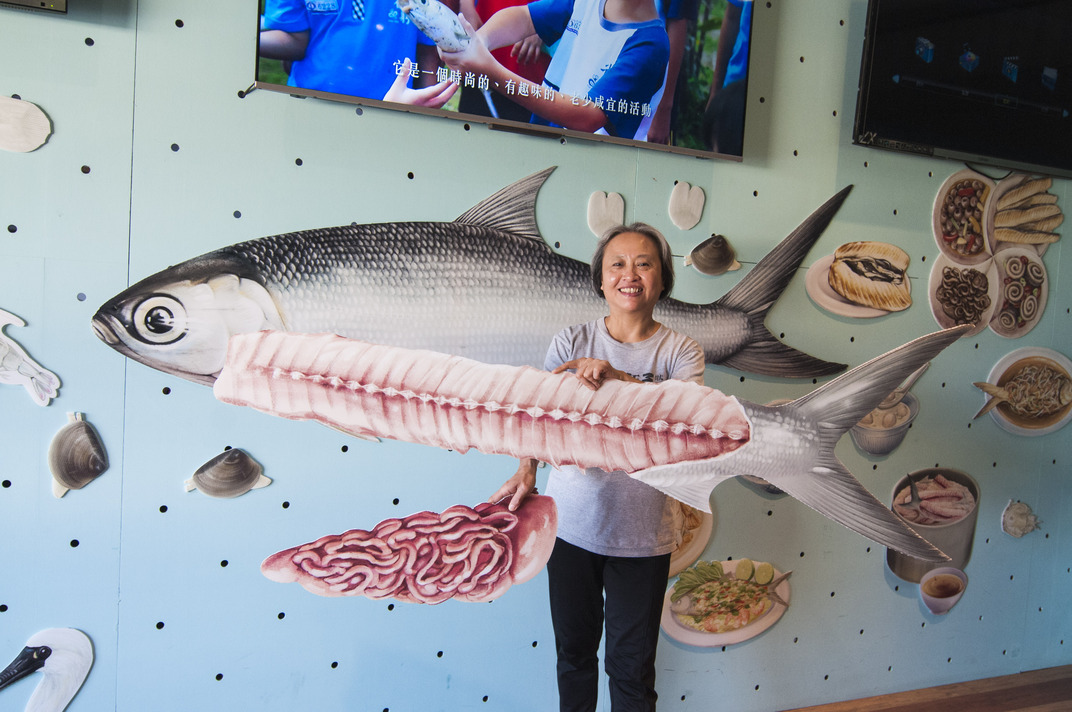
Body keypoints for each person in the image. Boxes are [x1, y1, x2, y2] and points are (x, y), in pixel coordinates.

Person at [489, 223, 705, 712]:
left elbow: (685, 423)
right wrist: (527, 470)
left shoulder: (681, 352)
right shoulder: (571, 341)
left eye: (644, 263)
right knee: (574, 658)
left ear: (663, 279)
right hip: (571, 528)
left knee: (631, 671)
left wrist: (619, 379)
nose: (631, 275)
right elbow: (537, 417)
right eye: (618, 265)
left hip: (643, 535)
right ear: (602, 280)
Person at [439, 0, 670, 139]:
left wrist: (490, 71)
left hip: (589, 182)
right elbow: (524, 17)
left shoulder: (650, 44)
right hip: (542, 152)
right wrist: (477, 42)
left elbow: (587, 117)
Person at [259, 0, 455, 106]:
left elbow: (430, 46)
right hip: (309, 104)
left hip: (390, 112)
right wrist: (244, 38)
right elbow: (295, 39)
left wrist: (426, 110)